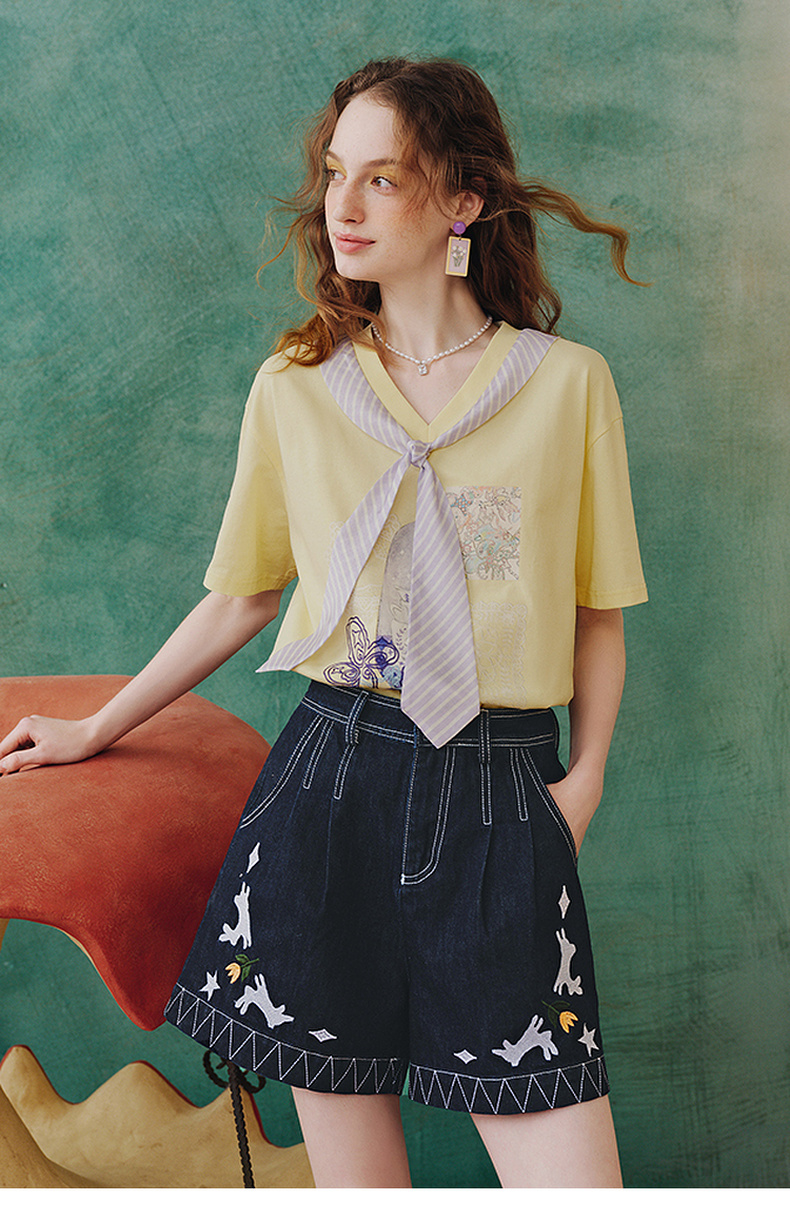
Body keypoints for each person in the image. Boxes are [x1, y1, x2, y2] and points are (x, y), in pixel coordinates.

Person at [0, 58, 647, 1188]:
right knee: (355, 1192)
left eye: (382, 179)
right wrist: (96, 728)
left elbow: (598, 611)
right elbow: (243, 596)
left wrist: (582, 781)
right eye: (335, 174)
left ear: (463, 201)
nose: (342, 205)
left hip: (500, 788)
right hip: (330, 784)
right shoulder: (296, 386)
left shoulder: (566, 385)